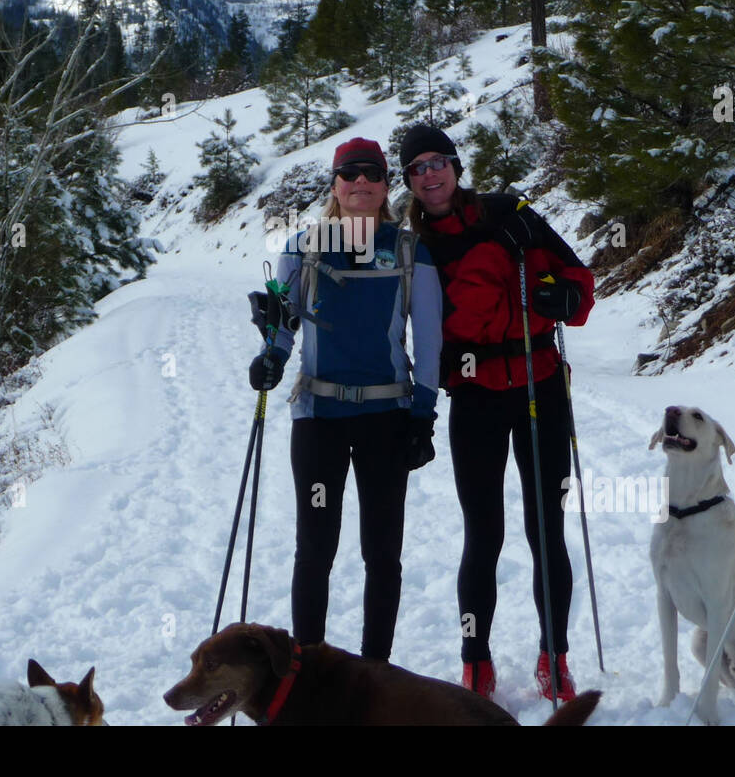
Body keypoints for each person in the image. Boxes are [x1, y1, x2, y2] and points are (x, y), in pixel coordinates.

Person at [398, 123, 594, 701]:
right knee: (483, 535)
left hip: (540, 387)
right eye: (418, 167)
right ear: (409, 181)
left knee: (547, 528)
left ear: (456, 166)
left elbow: (577, 276)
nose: (431, 174)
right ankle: (475, 664)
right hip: (476, 395)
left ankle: (554, 656)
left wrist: (567, 298)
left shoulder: (511, 215)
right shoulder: (417, 248)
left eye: (439, 161)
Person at [250, 137, 442, 661]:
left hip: (387, 417)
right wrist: (271, 355)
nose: (361, 183)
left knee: (383, 554)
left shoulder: (409, 251)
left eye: (372, 175)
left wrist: (423, 416)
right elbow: (283, 323)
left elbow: (428, 340)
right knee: (314, 550)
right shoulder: (301, 248)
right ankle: (308, 669)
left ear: (385, 185)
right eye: (350, 174)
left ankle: (373, 673)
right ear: (335, 183)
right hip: (319, 418)